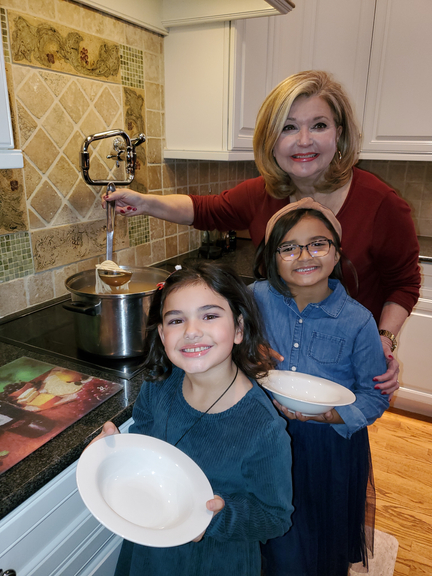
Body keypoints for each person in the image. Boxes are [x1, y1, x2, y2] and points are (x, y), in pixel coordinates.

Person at [102, 70, 421, 396]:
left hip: (340, 362)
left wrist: (382, 341)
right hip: (272, 359)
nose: (304, 140)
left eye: (319, 125)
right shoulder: (262, 193)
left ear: (339, 133)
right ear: (271, 139)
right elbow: (205, 209)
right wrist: (144, 202)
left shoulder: (382, 205)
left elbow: (404, 284)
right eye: (289, 127)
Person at [90, 261, 294, 576]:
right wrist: (113, 453)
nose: (192, 331)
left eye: (210, 315)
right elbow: (143, 450)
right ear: (161, 333)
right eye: (176, 320)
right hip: (151, 549)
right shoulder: (157, 387)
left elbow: (275, 517)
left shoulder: (263, 427)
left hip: (215, 560)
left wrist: (218, 518)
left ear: (239, 328)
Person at [251, 197, 390, 576]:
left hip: (328, 452)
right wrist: (247, 351)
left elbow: (375, 394)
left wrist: (336, 415)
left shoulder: (359, 322)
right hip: (263, 441)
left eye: (317, 244)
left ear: (336, 254)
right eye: (288, 247)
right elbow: (226, 345)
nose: (304, 256)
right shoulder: (255, 300)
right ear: (272, 257)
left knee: (319, 539)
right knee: (273, 540)